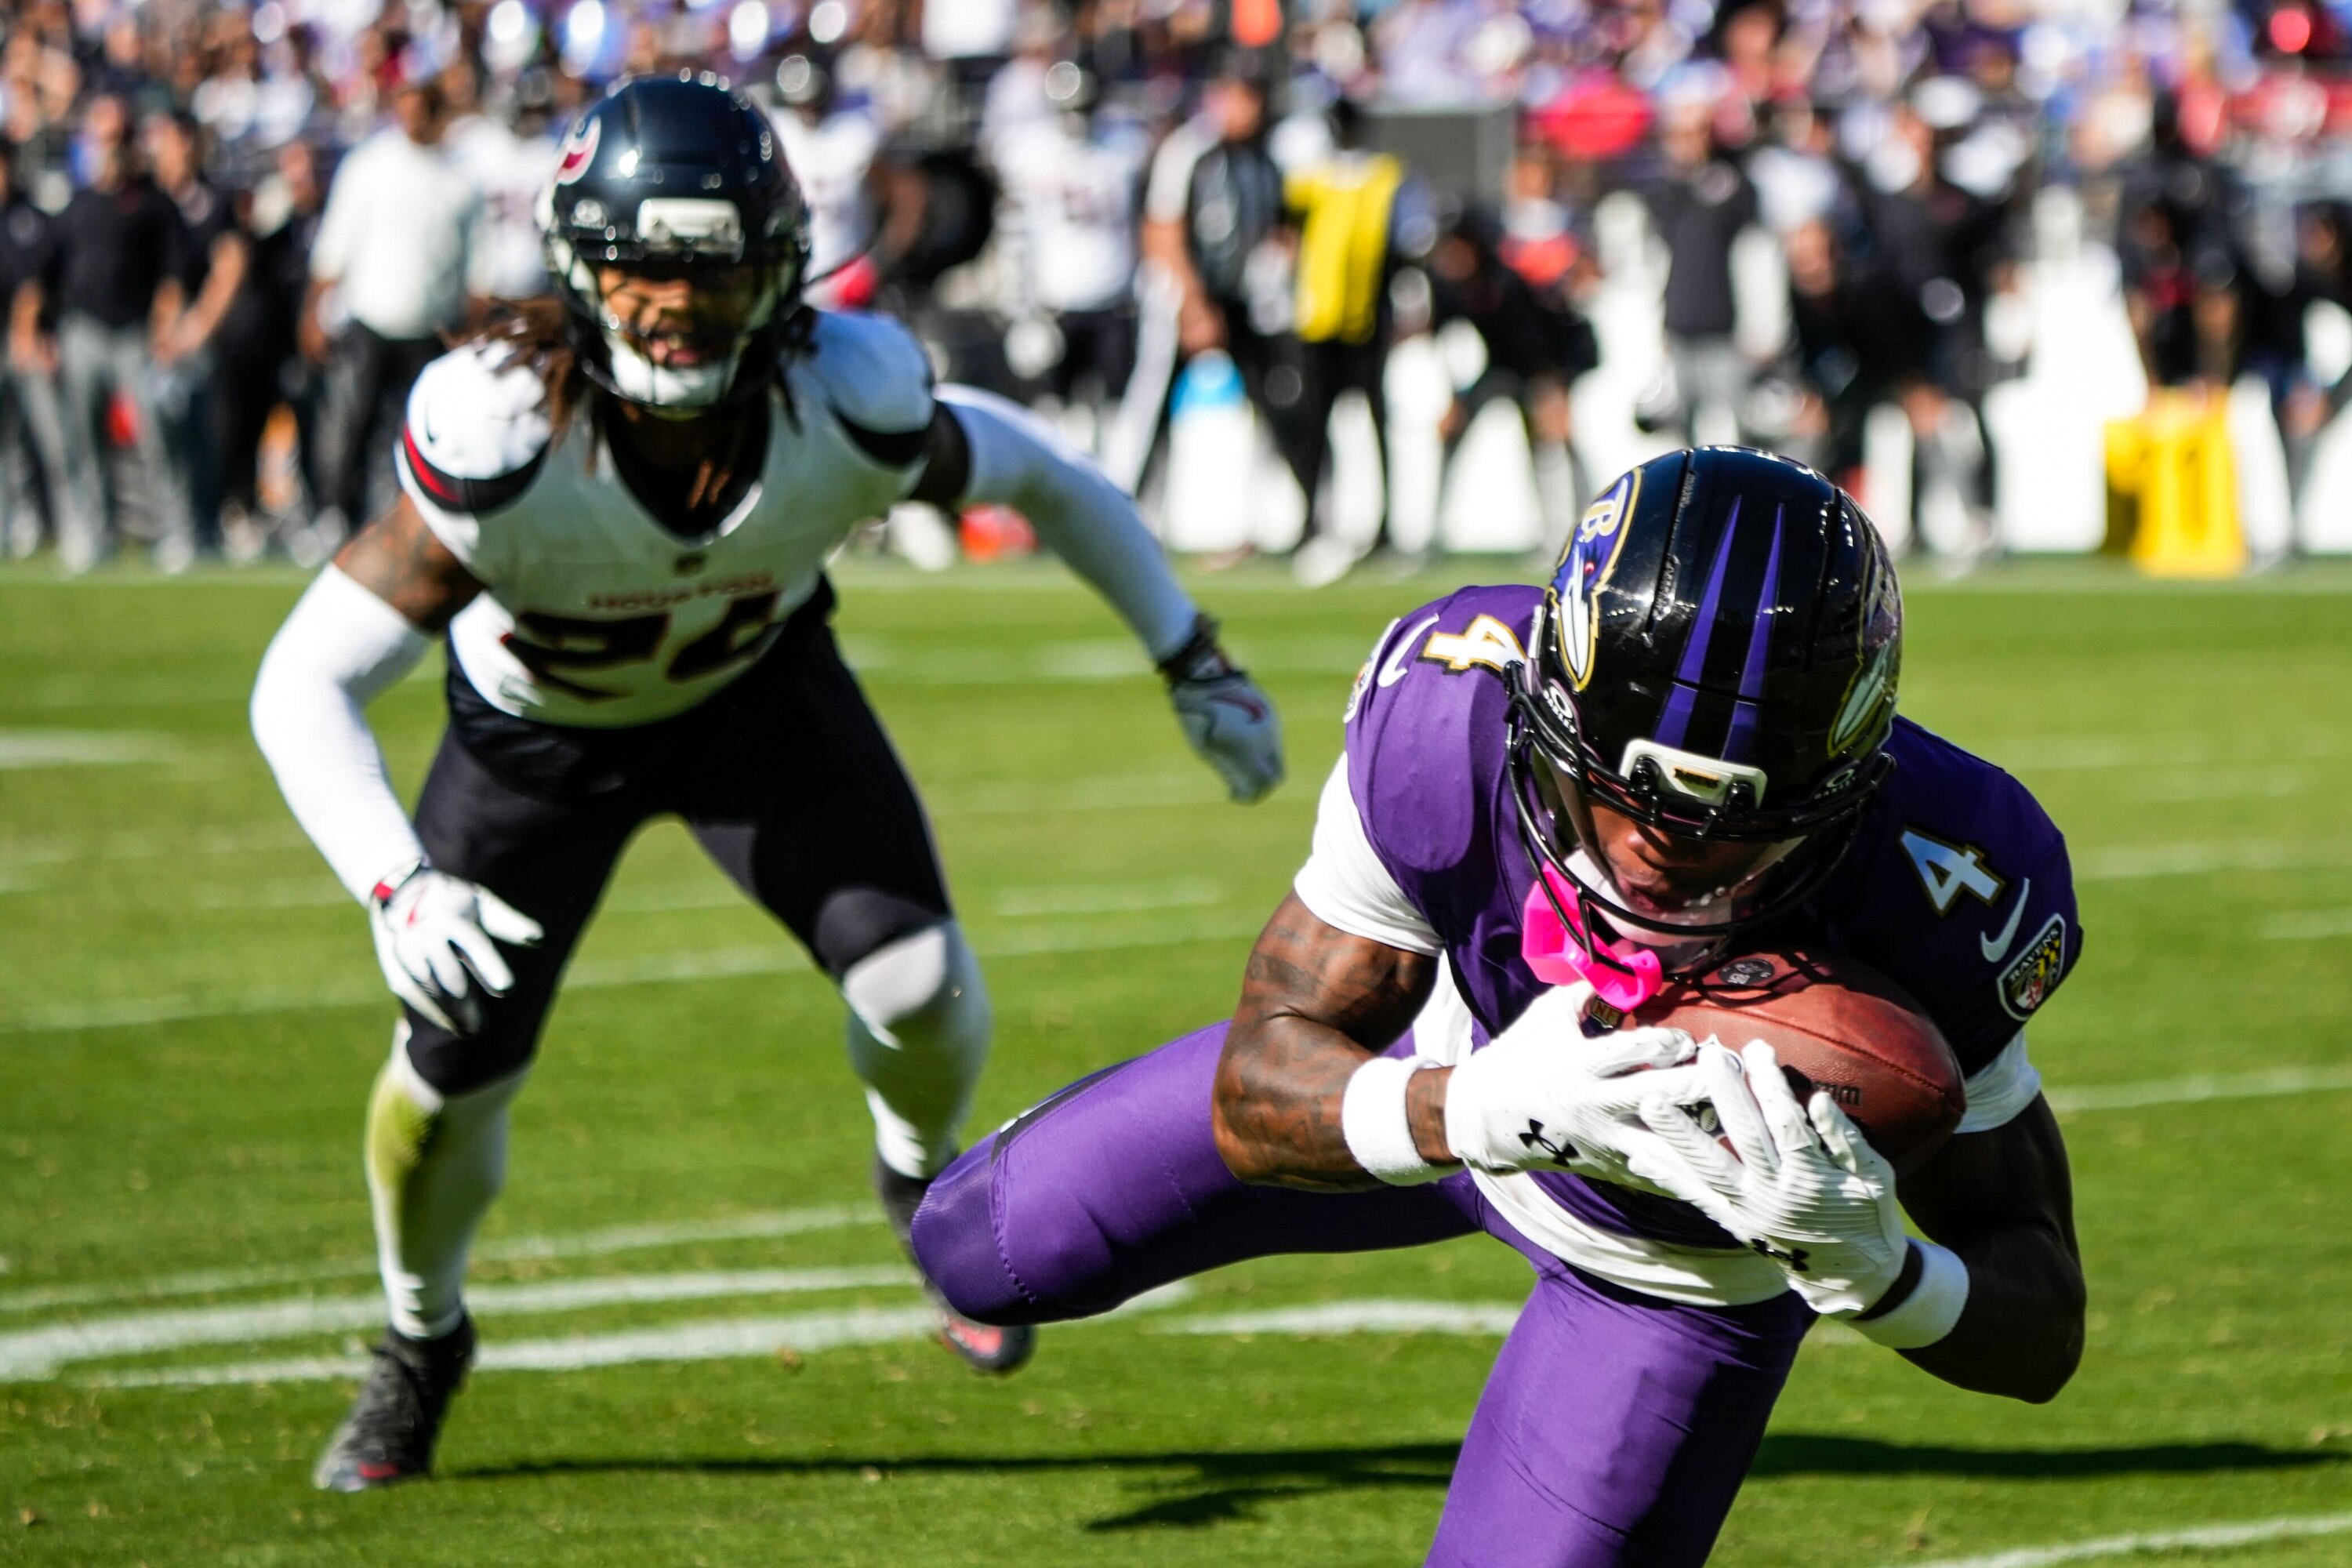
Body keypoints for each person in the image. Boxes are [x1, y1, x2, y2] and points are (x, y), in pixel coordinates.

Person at [248, 75, 1283, 1495]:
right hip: (533, 748)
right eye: (640, 264)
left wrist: (1190, 651)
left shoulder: (842, 398)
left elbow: (1041, 475)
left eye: (710, 264)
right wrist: (395, 879)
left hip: (756, 709)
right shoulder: (501, 434)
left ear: (776, 271)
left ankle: (923, 1184)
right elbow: (301, 680)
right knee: (440, 1088)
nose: (673, 300)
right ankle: (421, 1341)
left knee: (925, 989)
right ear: (580, 269)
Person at [913, 447, 2087, 1567]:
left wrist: (1882, 1273)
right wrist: (1470, 1104)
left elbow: (2043, 1326)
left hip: (1668, 1276)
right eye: (1623, 798)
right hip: (1455, 1062)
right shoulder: (1449, 715)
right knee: (975, 1249)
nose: (1658, 859)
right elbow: (1259, 1085)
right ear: (1545, 714)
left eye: (1735, 832)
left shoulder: (1955, 877)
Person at [303, 77, 482, 554]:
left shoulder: (460, 181)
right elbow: (334, 247)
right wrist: (315, 311)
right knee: (350, 425)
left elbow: (472, 270)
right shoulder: (368, 166)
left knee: (421, 431)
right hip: (370, 320)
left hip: (430, 326)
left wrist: (469, 327)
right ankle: (336, 515)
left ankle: (414, 521)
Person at [42, 93, 192, 572]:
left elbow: (173, 275)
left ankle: (176, 532)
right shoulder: (78, 203)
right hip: (83, 331)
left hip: (135, 335)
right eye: (103, 138)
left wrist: (164, 331)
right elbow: (46, 274)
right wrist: (40, 331)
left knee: (158, 439)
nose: (111, 148)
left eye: (118, 138)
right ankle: (92, 531)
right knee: (81, 440)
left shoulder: (152, 203)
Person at [1280, 93, 1425, 583]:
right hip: (1318, 318)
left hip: (1367, 317)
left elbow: (1406, 241)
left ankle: (1384, 526)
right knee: (1315, 425)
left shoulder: (1384, 176)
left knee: (1375, 423)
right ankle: (1312, 520)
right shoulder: (1312, 178)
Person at [0, 137, 68, 560]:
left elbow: (35, 282)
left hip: (26, 343)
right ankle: (12, 519)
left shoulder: (30, 219)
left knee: (50, 438)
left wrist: (28, 329)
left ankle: (68, 524)